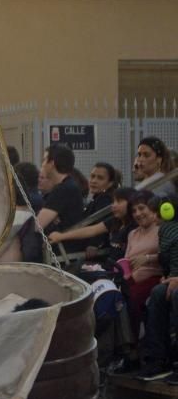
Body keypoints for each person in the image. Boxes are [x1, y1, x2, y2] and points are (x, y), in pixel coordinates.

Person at [134, 195, 178, 382]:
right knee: (158, 293)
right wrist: (169, 276)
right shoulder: (166, 231)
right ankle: (159, 360)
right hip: (172, 278)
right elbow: (168, 259)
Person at [47, 162, 121, 252]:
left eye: (100, 178)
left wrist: (94, 244)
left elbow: (101, 223)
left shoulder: (104, 199)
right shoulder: (97, 199)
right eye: (92, 176)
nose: (94, 181)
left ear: (110, 183)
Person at [121, 190, 162, 334]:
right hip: (131, 279)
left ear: (152, 208)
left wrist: (147, 258)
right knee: (115, 296)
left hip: (154, 278)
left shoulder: (163, 229)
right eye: (134, 211)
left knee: (132, 297)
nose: (138, 214)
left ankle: (135, 344)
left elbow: (168, 255)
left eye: (142, 208)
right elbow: (126, 260)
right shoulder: (132, 234)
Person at [38, 144, 86, 255]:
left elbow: (38, 224)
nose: (42, 164)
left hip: (62, 253)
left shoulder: (63, 189)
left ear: (52, 163)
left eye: (45, 160)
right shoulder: (68, 186)